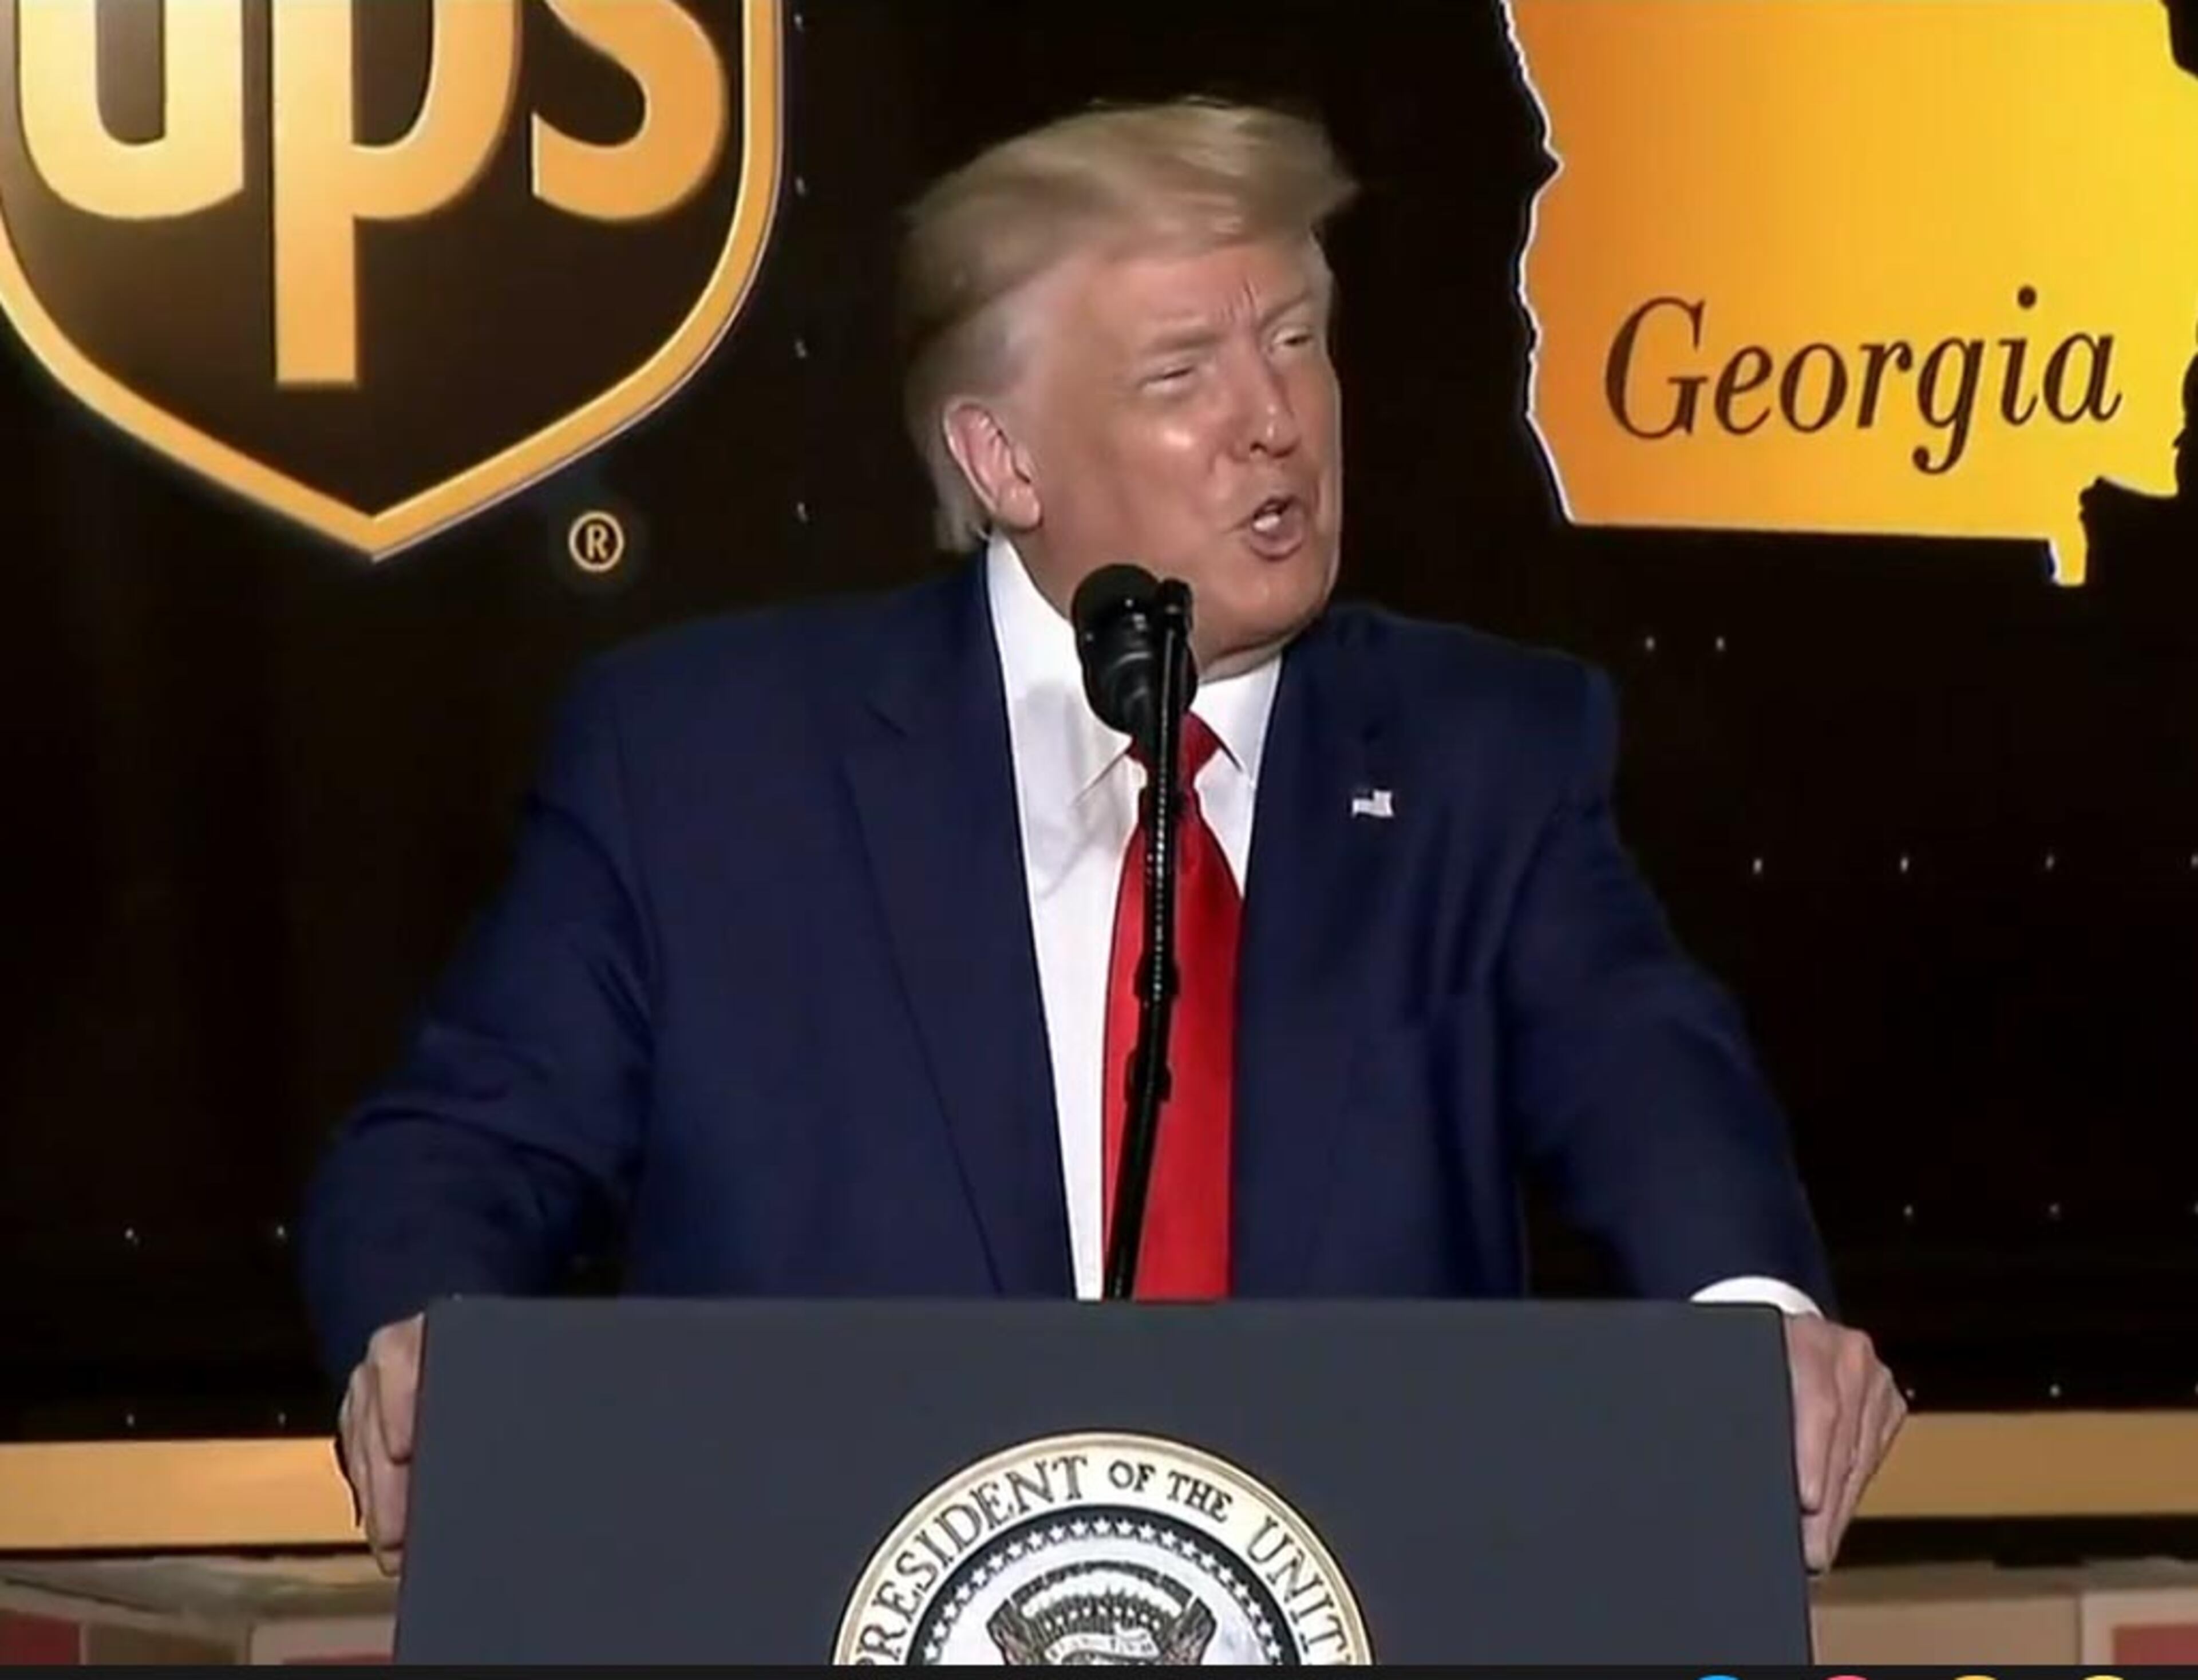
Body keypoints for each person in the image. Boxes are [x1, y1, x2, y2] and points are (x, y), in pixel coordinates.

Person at [301, 97, 1904, 1579]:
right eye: (1181, 374)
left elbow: (1642, 1067)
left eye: (1296, 340)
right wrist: (435, 1345)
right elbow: (457, 1150)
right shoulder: (709, 768)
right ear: (1002, 460)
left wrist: (1748, 1321)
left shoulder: (1483, 758)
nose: (1275, 422)